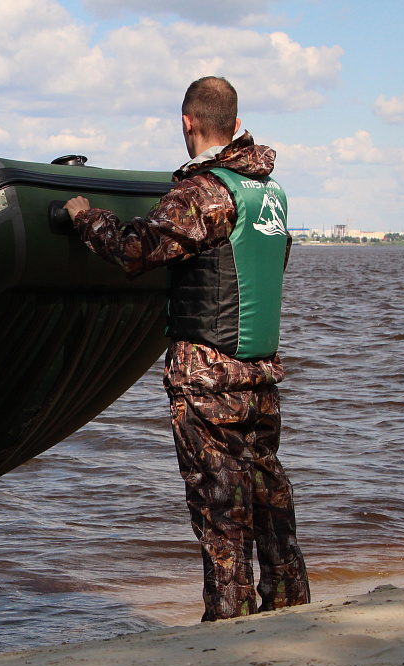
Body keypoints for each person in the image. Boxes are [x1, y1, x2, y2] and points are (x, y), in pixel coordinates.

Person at [63, 76, 310, 621]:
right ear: (236, 124)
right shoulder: (271, 193)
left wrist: (85, 217)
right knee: (269, 499)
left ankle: (227, 624)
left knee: (220, 509)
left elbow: (135, 249)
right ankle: (292, 611)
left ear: (187, 123)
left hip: (208, 378)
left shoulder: (203, 193)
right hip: (261, 376)